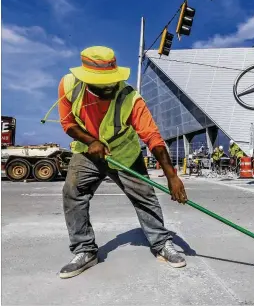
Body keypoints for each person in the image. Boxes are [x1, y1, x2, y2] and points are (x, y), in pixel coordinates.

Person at [57, 46, 188, 279]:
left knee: (145, 197)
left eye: (111, 82)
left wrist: (171, 176)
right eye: (102, 84)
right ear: (87, 80)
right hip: (88, 152)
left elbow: (153, 138)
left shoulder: (130, 98)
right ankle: (84, 250)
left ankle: (161, 243)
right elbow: (68, 124)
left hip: (124, 153)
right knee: (72, 192)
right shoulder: (69, 86)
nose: (109, 88)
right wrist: (91, 141)